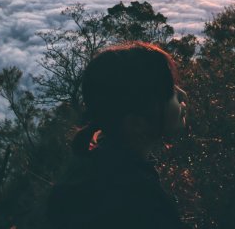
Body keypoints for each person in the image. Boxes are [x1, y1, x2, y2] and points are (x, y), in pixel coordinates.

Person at [46, 41, 188, 229]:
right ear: (136, 124)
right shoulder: (140, 204)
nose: (183, 95)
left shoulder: (88, 178)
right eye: (170, 92)